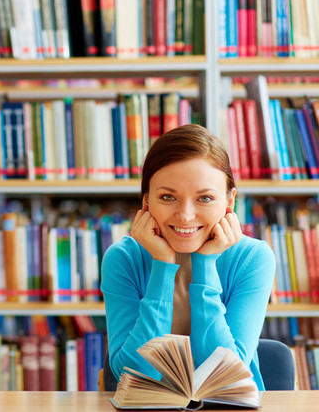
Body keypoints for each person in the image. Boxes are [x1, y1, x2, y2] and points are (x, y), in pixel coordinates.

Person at [101, 124, 276, 390]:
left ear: (229, 202)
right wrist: (162, 266)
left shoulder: (252, 258)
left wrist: (205, 264)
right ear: (146, 201)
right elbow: (134, 373)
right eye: (168, 196)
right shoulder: (123, 259)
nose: (185, 215)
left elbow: (225, 376)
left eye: (204, 198)